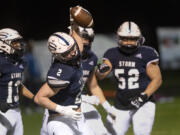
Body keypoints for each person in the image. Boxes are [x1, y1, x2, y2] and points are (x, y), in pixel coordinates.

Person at [96, 21, 162, 135]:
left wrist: (143, 96)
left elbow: (157, 79)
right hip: (120, 103)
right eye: (125, 38)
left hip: (143, 103)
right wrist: (100, 71)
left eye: (132, 39)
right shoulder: (112, 53)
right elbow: (101, 76)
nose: (128, 42)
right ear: (119, 37)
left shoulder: (147, 53)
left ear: (139, 38)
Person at [34, 32, 95, 135]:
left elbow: (77, 40)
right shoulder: (61, 71)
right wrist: (62, 109)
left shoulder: (75, 53)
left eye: (72, 48)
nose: (72, 53)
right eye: (67, 53)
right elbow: (39, 98)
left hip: (78, 118)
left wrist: (75, 22)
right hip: (60, 120)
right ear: (58, 55)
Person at [0, 28, 35, 135]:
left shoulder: (19, 62)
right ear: (3, 43)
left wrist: (36, 98)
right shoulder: (1, 62)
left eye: (19, 41)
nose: (19, 44)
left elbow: (17, 85)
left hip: (16, 110)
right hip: (2, 112)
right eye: (14, 42)